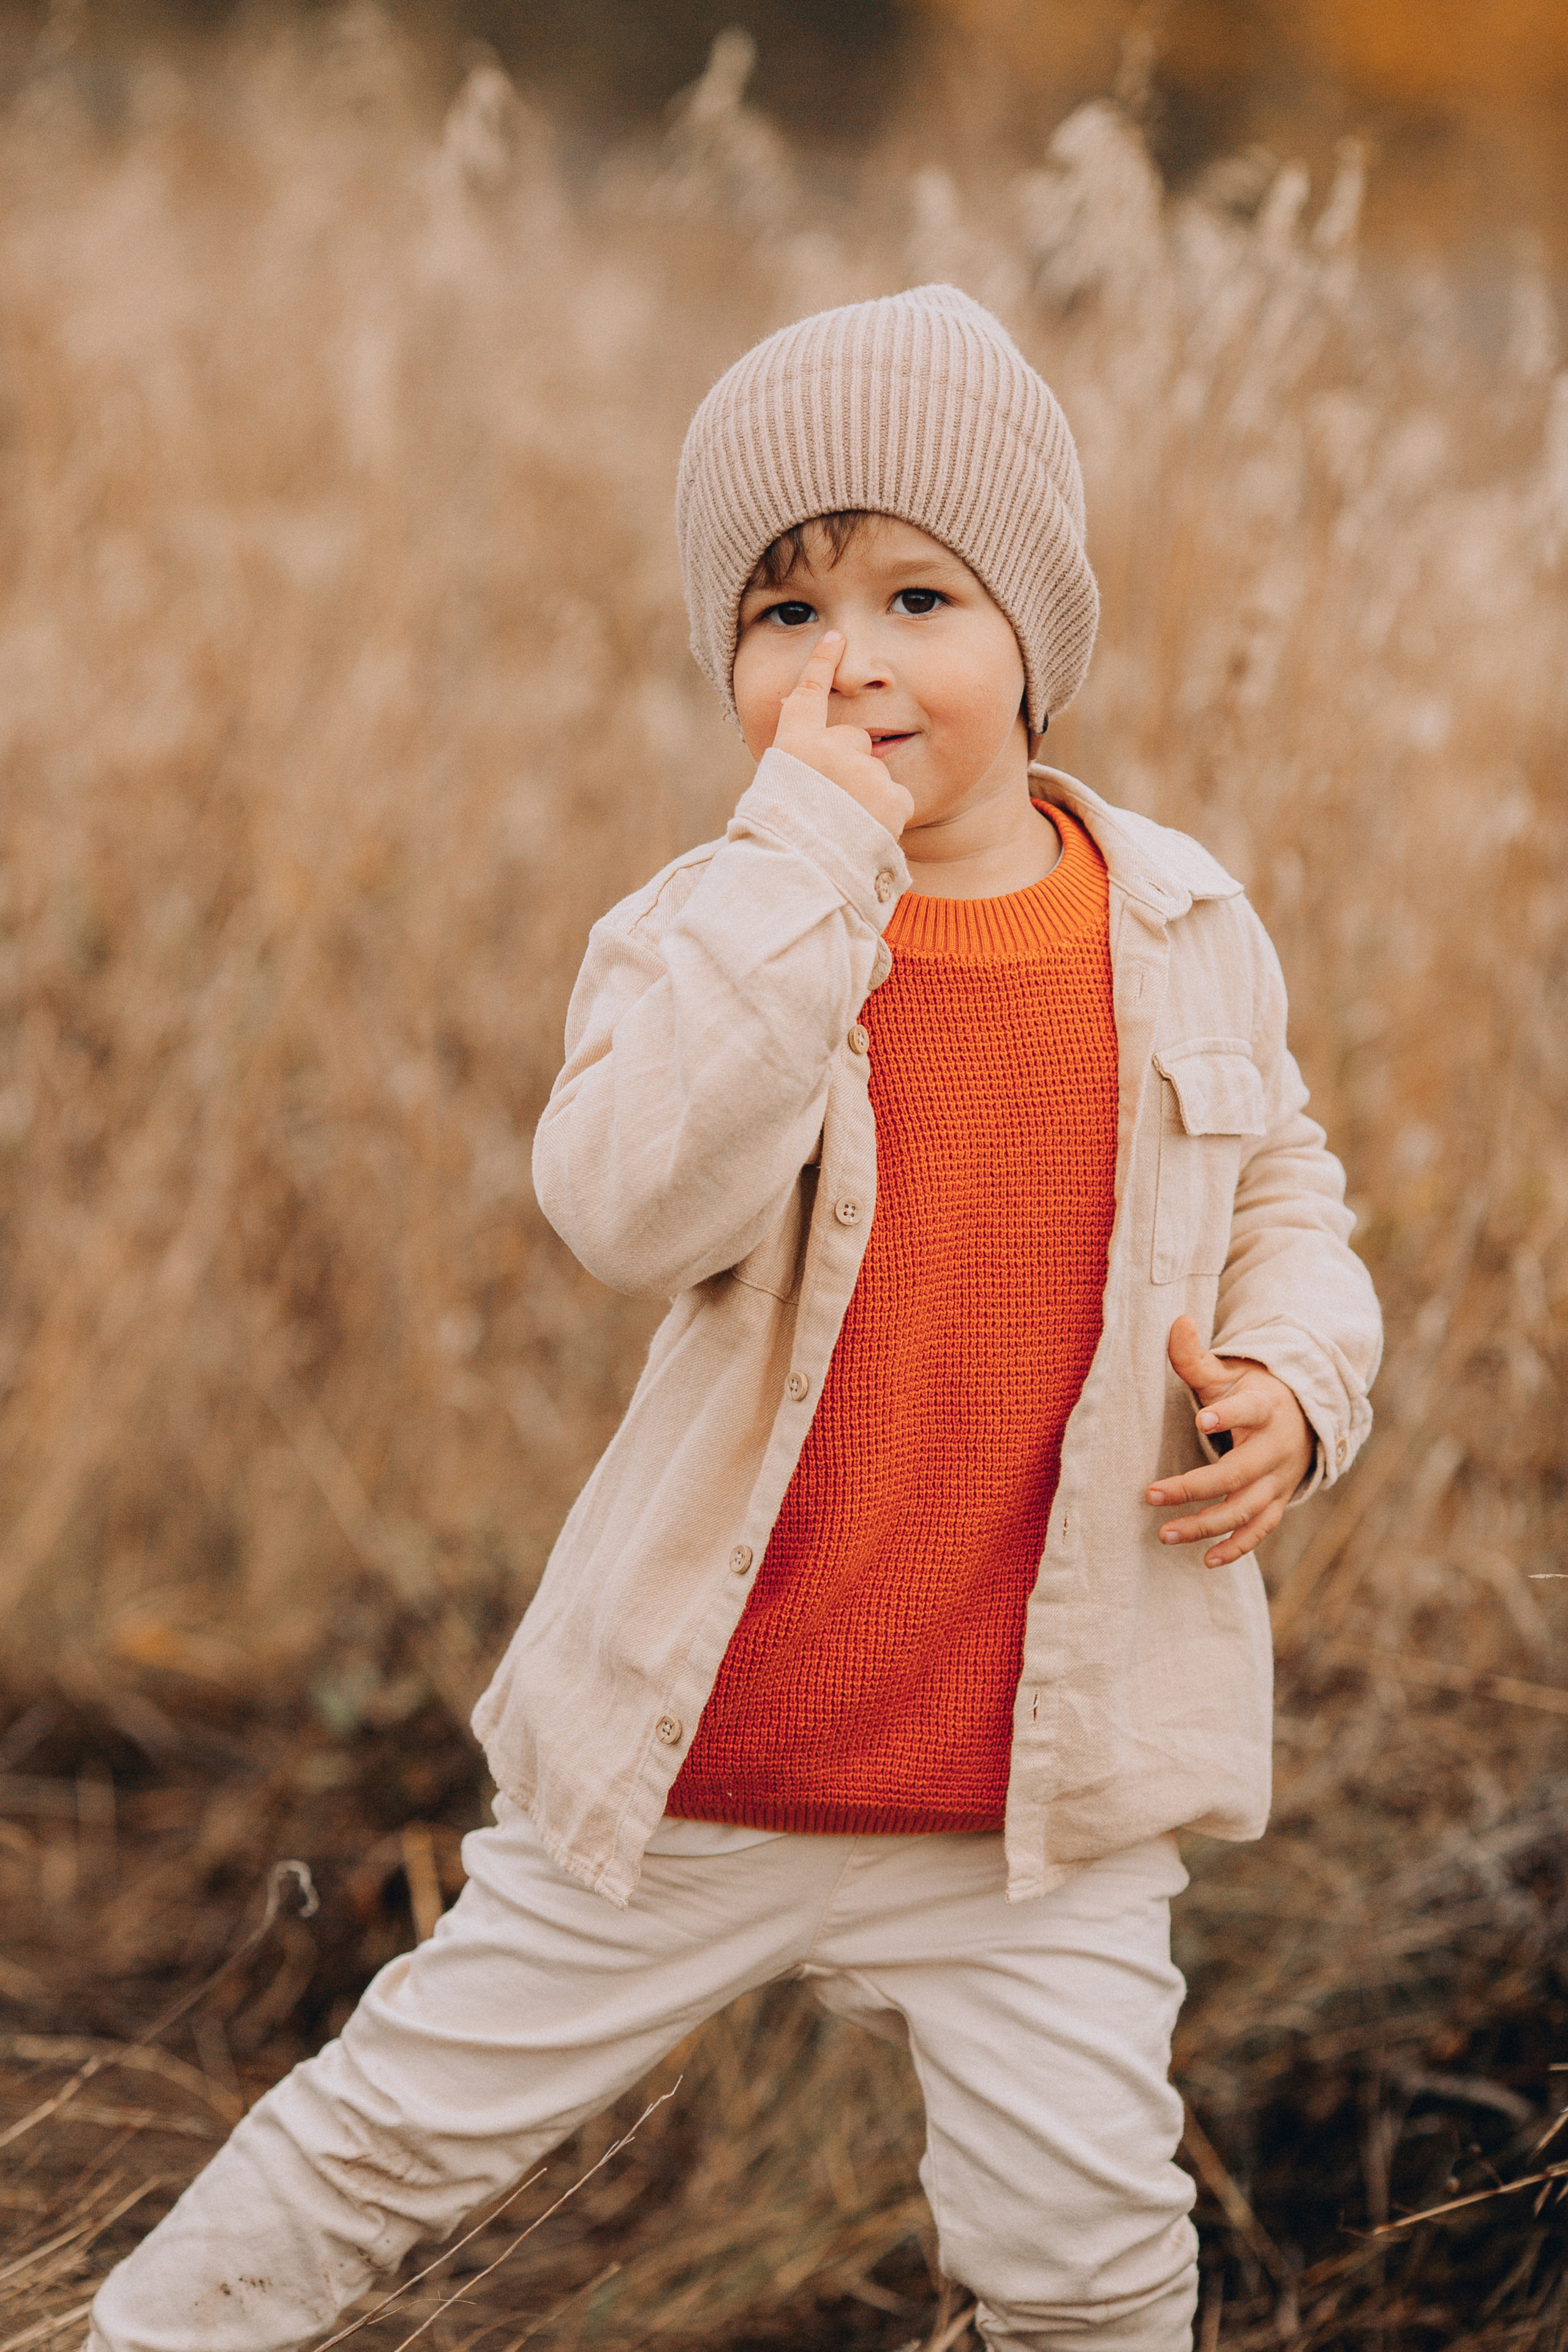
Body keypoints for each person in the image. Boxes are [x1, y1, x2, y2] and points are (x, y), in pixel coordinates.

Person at [86, 284, 1382, 2352]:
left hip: (1032, 1798)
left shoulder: (1182, 925)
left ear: (1037, 629)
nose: (847, 661)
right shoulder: (712, 928)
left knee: (1094, 2262)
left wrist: (1305, 1382)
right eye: (781, 618)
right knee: (399, 2130)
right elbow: (625, 1202)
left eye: (918, 597)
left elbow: (1288, 1187)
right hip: (703, 1756)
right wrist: (808, 862)